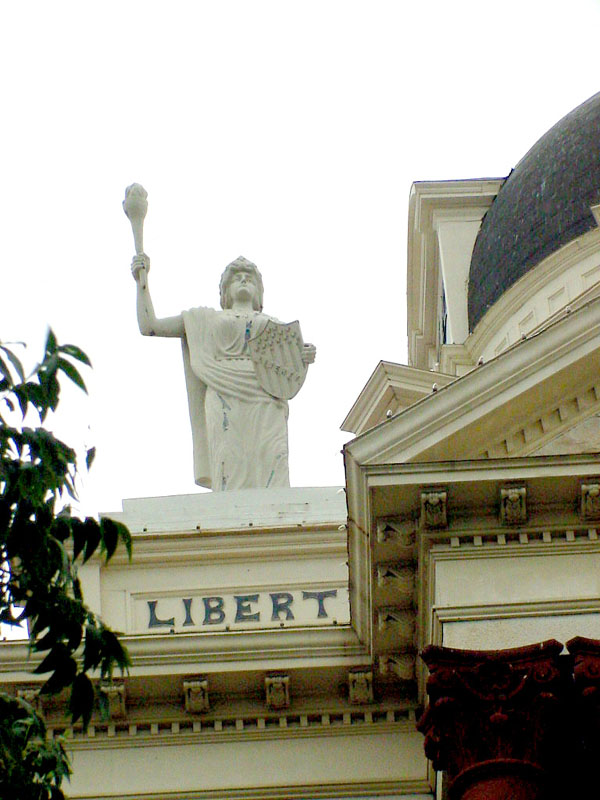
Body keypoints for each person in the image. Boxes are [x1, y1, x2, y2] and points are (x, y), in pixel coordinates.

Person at [132, 254, 316, 491]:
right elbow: (150, 326)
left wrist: (304, 356)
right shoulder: (206, 319)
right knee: (230, 457)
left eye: (249, 278)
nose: (243, 280)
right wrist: (142, 283)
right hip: (222, 391)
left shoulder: (273, 323)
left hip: (267, 395)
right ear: (225, 290)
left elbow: (289, 362)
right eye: (236, 278)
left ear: (259, 291)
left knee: (272, 455)